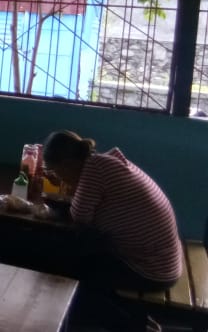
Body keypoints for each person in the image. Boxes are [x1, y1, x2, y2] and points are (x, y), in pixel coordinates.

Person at [42, 130, 182, 331]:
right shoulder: (103, 162)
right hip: (162, 259)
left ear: (67, 164)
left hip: (152, 269)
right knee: (83, 266)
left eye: (57, 172)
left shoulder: (94, 171)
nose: (59, 178)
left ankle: (135, 326)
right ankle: (137, 319)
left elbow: (79, 217)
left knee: (71, 282)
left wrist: (65, 196)